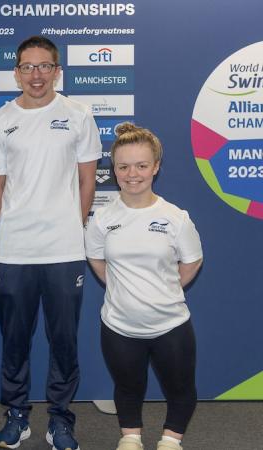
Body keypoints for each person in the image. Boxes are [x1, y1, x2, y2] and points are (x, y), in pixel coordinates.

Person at [0, 35, 101, 450]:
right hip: (13, 251)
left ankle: (60, 419)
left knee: (63, 340)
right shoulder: (0, 120)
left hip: (65, 251)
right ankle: (16, 414)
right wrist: (15, 223)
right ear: (16, 72)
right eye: (28, 67)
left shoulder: (79, 115)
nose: (36, 75)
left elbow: (88, 179)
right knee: (15, 340)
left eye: (44, 66)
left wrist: (71, 223)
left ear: (57, 70)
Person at [85, 123, 203, 450]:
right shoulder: (103, 219)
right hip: (119, 325)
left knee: (180, 389)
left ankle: (170, 439)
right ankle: (131, 437)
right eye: (123, 166)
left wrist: (164, 291)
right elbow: (96, 259)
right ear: (114, 170)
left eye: (141, 165)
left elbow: (192, 261)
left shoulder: (175, 218)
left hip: (171, 325)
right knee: (127, 387)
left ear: (155, 167)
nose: (132, 174)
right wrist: (124, 289)